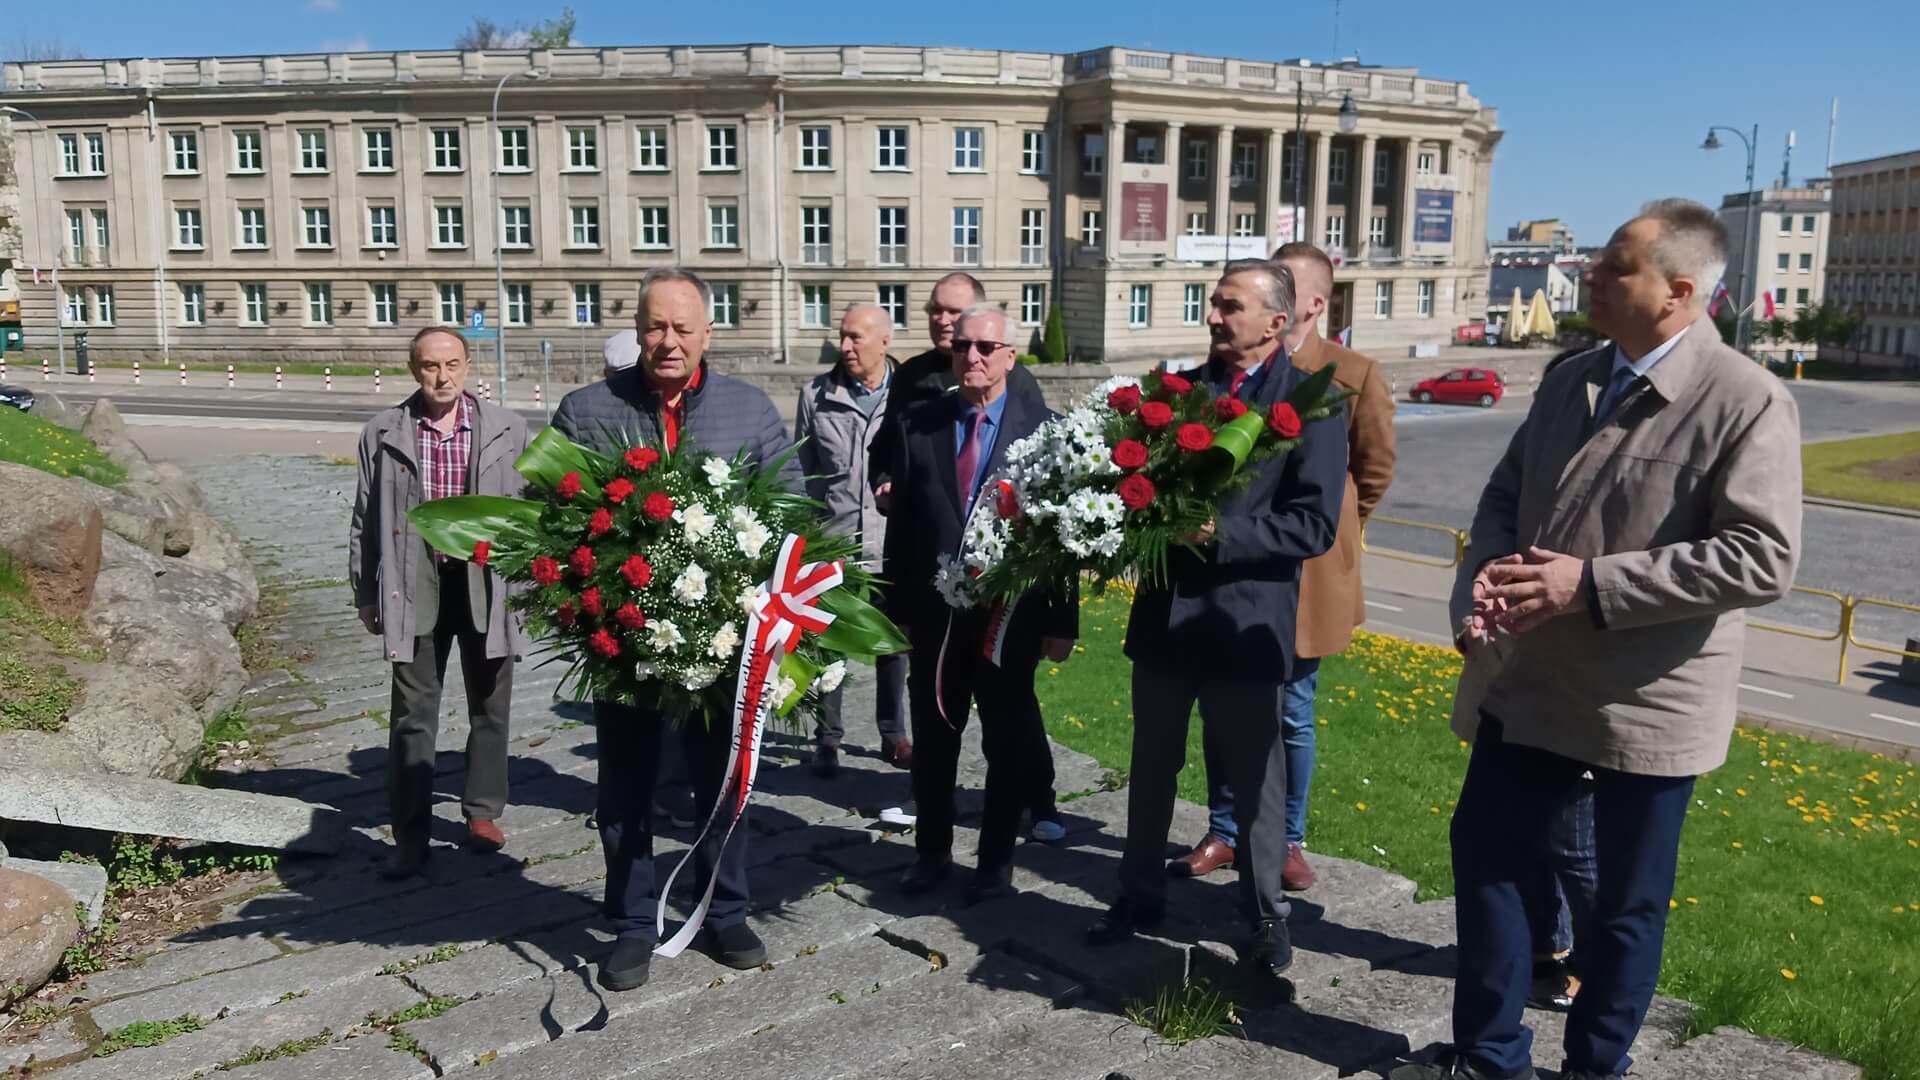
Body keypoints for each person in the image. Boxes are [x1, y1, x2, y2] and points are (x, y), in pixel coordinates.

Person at [1394, 199, 1801, 1080]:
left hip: (1648, 699)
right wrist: (1482, 586)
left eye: (1617, 266)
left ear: (1679, 291)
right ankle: (1489, 1057)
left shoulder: (1746, 398)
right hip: (1529, 679)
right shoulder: (1570, 378)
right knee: (1490, 862)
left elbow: (1762, 557)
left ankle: (1595, 1065)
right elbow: (1505, 497)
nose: (1591, 275)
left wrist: (1590, 585)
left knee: (1624, 903)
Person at [1087, 261, 1346, 989]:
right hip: (1166, 619)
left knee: (1255, 777)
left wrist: (1218, 535)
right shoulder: (1180, 393)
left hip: (1244, 624)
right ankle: (1138, 894)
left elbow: (1313, 524)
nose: (1214, 316)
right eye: (1214, 304)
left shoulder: (1311, 404)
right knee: (1151, 767)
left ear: (1276, 322)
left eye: (1231, 306)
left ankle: (1263, 916)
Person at [550, 266, 799, 994]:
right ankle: (633, 922)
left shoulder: (749, 410)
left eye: (682, 328)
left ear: (707, 334)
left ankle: (725, 911)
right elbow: (552, 524)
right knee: (625, 787)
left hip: (722, 646)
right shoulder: (586, 411)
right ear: (637, 330)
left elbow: (790, 515)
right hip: (624, 642)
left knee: (723, 778)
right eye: (655, 326)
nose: (668, 341)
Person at [1168, 243, 1397, 892]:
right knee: (1223, 706)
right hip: (1228, 574)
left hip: (1308, 576)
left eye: (1285, 286)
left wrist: (1341, 532)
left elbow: (1374, 469)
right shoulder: (1223, 372)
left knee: (1290, 712)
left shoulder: (1350, 374)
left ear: (1309, 304)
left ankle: (1287, 837)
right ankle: (1225, 828)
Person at [880, 302, 1077, 905]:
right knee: (935, 741)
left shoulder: (1047, 431)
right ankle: (931, 854)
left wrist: (1062, 621)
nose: (972, 356)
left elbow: (1065, 539)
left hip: (1009, 619)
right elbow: (902, 528)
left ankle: (995, 862)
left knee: (1007, 743)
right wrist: (895, 611)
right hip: (935, 620)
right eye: (962, 345)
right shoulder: (919, 425)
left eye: (986, 347)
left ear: (1009, 357)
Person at [348, 327, 530, 881]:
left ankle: (482, 812)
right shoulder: (384, 431)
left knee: (491, 704)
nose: (442, 376)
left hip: (485, 582)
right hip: (415, 582)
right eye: (430, 366)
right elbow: (364, 517)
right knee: (412, 713)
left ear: (468, 365)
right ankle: (411, 832)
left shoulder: (508, 428)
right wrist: (365, 591)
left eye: (451, 364)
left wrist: (528, 589)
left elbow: (531, 513)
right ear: (414, 370)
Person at [794, 303, 912, 776]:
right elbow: (803, 474)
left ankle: (894, 734)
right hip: (834, 542)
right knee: (828, 644)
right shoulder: (816, 396)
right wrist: (809, 537)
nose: (844, 346)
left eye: (855, 337)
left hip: (892, 541)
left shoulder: (909, 397)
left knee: (893, 643)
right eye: (842, 336)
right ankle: (828, 739)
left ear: (884, 341)